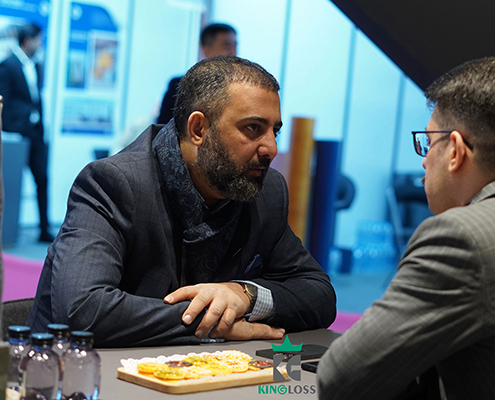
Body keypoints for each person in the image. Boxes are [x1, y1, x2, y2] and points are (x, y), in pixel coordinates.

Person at [317, 55, 495, 399]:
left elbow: (341, 379)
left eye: (427, 143)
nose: (424, 160)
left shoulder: (462, 237)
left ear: (455, 150)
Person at [27, 56, 336, 347]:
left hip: (200, 373)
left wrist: (245, 295)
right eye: (253, 128)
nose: (270, 148)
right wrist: (214, 321)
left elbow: (319, 294)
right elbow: (82, 309)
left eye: (274, 131)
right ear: (198, 129)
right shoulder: (113, 183)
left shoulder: (265, 191)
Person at [0, 23, 53, 242]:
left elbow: (36, 99)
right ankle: (6, 229)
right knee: (10, 183)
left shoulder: (37, 65)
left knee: (42, 179)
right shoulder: (8, 65)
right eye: (39, 40)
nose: (40, 44)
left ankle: (44, 229)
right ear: (28, 41)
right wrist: (15, 125)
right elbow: (5, 101)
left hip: (36, 133)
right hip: (17, 134)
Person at [156, 23, 237, 125]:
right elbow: (163, 126)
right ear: (207, 50)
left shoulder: (238, 86)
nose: (233, 52)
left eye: (235, 46)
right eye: (227, 47)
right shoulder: (180, 85)